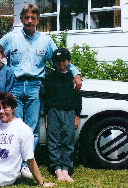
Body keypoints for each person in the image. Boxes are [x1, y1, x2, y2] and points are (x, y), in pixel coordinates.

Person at [0, 3, 82, 178]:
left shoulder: (45, 41)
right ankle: (13, 163)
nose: (29, 21)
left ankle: (24, 165)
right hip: (16, 86)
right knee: (14, 125)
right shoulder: (11, 38)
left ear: (38, 20)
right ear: (21, 19)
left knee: (32, 129)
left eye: (32, 18)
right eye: (26, 18)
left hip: (36, 87)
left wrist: (76, 73)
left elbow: (61, 60)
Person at [42, 48, 82, 182]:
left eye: (63, 60)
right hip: (53, 111)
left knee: (68, 140)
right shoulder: (50, 77)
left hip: (69, 112)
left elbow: (77, 98)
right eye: (57, 61)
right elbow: (46, 98)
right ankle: (57, 169)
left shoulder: (73, 77)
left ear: (68, 61)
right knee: (54, 140)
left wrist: (77, 116)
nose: (60, 63)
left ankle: (66, 169)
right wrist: (47, 116)